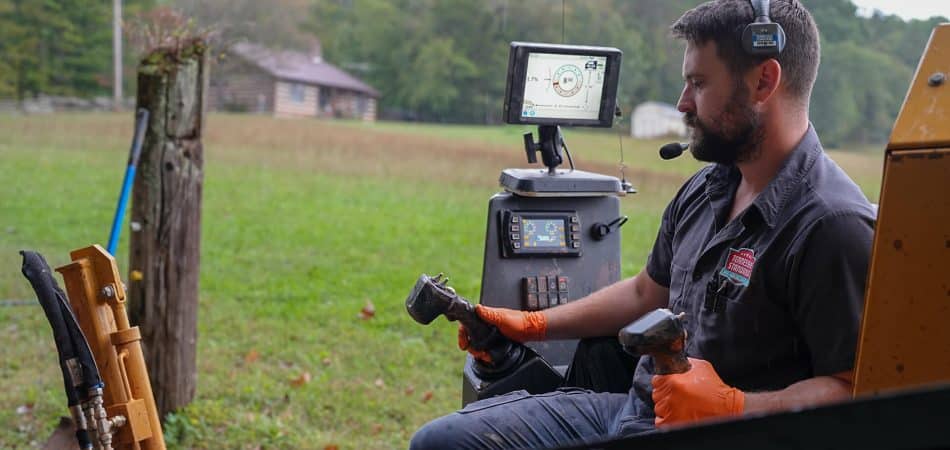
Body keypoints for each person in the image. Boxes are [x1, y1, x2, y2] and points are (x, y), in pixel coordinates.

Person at [410, 0, 876, 448]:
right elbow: (643, 293)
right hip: (636, 413)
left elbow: (856, 389)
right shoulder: (706, 189)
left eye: (698, 83)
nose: (682, 103)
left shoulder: (832, 225)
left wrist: (735, 407)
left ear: (763, 82)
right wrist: (531, 324)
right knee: (440, 441)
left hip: (723, 437)